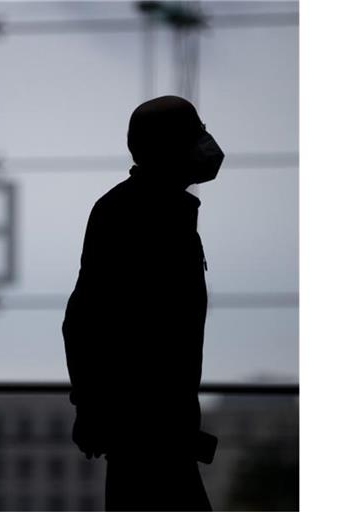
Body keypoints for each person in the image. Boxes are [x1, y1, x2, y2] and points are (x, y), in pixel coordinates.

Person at [62, 95, 225, 511]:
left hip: (154, 429)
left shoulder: (154, 209)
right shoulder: (132, 213)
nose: (206, 143)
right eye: (196, 132)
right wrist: (92, 407)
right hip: (148, 430)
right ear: (169, 147)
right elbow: (85, 319)